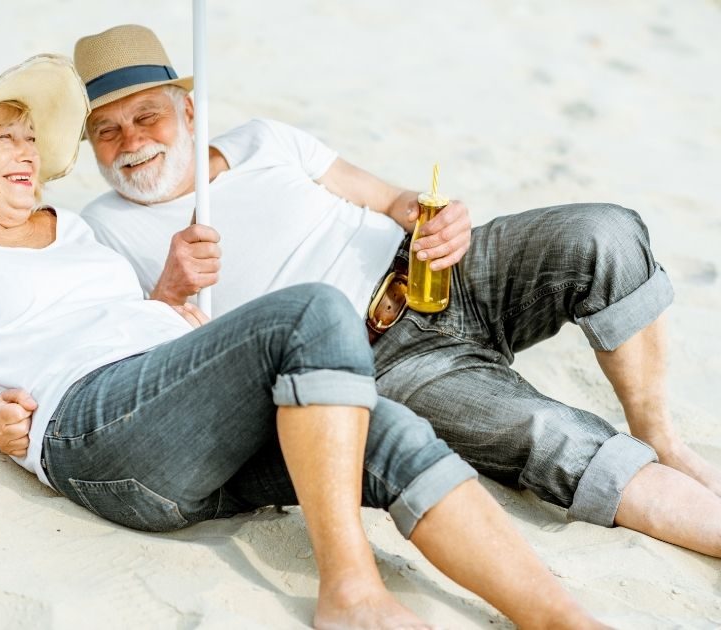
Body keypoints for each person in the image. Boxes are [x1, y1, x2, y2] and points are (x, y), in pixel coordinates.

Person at [0, 56, 605, 629]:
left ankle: (560, 618)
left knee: (387, 428)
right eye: (6, 137)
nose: (30, 150)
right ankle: (350, 591)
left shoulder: (67, 227)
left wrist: (167, 306)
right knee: (311, 312)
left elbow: (114, 317)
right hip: (88, 431)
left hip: (167, 421)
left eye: (29, 136)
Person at [75, 24, 721, 557]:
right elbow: (139, 362)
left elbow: (390, 199)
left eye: (146, 117)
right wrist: (169, 288)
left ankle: (659, 435)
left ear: (190, 111)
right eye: (108, 131)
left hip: (440, 275)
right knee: (546, 431)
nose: (131, 142)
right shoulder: (104, 227)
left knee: (602, 233)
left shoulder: (264, 141)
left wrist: (435, 219)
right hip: (381, 362)